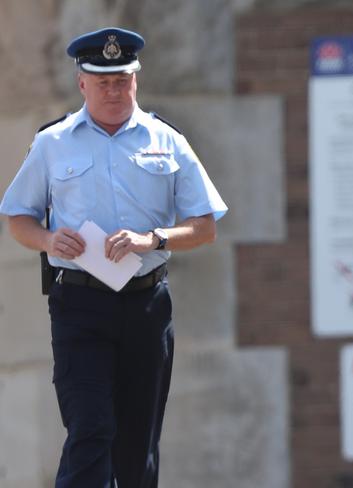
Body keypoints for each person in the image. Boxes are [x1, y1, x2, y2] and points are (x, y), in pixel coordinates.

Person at [0, 27, 227, 487]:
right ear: (82, 83)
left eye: (122, 80)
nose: (114, 90)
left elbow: (204, 226)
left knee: (137, 445)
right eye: (102, 81)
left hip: (146, 306)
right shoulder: (53, 142)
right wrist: (47, 241)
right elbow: (18, 217)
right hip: (79, 306)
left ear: (136, 81)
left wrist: (154, 239)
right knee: (90, 428)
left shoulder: (168, 141)